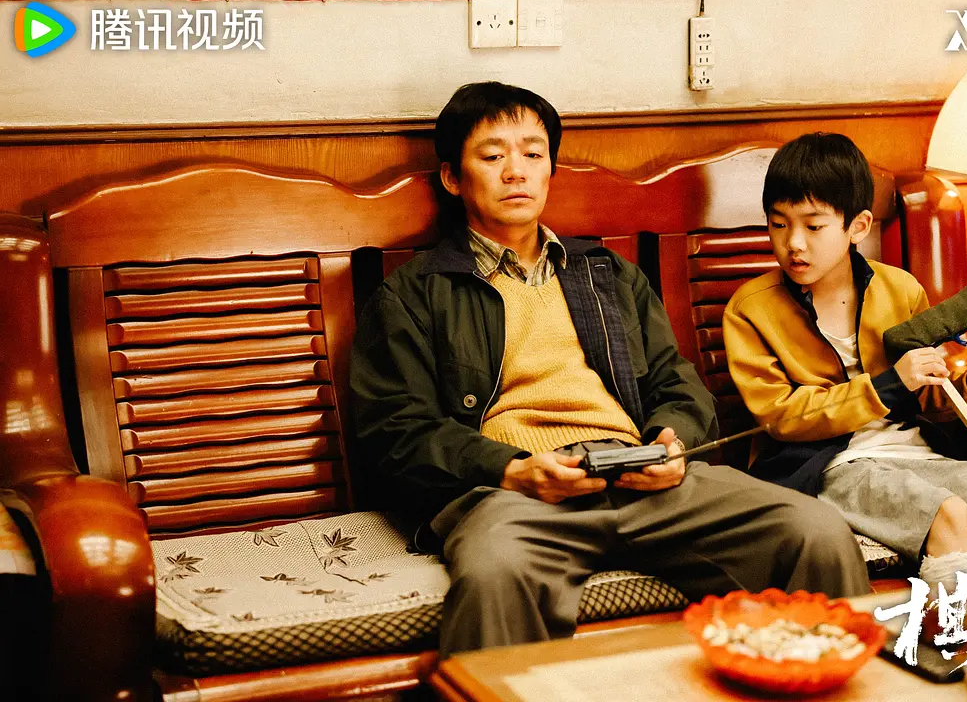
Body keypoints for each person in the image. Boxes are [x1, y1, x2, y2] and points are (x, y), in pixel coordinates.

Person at [351, 83, 871, 657]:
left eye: (533, 154)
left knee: (813, 532)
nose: (516, 172)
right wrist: (512, 469)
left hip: (638, 477)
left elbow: (676, 384)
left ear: (550, 168)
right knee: (495, 572)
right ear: (453, 177)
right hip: (516, 495)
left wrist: (671, 443)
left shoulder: (608, 275)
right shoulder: (414, 294)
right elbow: (396, 430)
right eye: (493, 156)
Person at [723, 132, 967, 595]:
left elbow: (931, 393)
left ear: (858, 226)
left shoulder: (900, 289)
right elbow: (781, 417)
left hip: (917, 452)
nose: (794, 243)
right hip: (827, 465)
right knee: (950, 514)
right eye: (779, 224)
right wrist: (887, 386)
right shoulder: (751, 308)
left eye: (814, 226)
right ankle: (958, 638)